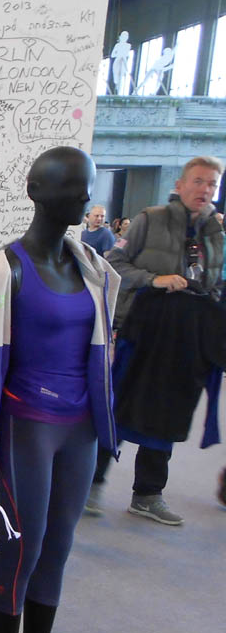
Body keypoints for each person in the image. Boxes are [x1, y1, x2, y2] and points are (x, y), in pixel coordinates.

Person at [0, 147, 118, 633]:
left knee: (58, 546)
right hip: (25, 423)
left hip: (80, 426)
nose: (85, 196)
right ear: (36, 190)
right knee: (22, 546)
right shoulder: (4, 269)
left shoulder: (92, 267)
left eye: (88, 185)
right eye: (73, 185)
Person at [92, 156, 226, 525]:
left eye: (212, 184)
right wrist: (155, 280)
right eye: (198, 181)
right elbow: (114, 264)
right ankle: (90, 482)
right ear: (180, 185)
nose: (205, 189)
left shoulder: (215, 234)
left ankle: (148, 494)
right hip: (143, 331)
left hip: (188, 342)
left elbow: (216, 285)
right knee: (121, 407)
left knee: (169, 416)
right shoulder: (150, 219)